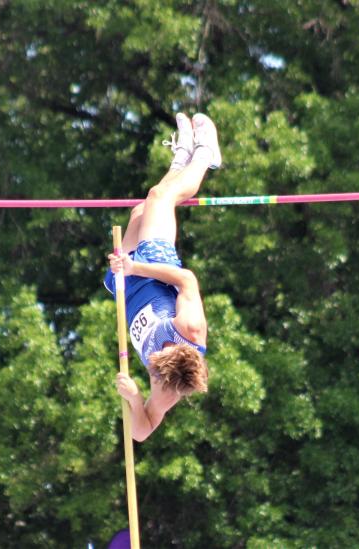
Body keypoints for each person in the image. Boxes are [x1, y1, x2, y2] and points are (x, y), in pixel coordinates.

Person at [104, 112, 221, 442]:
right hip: (152, 268)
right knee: (160, 198)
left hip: (125, 287)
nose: (151, 363)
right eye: (157, 362)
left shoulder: (165, 389)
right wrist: (136, 267)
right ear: (178, 351)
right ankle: (205, 154)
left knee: (139, 211)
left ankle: (181, 155)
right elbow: (187, 281)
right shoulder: (191, 331)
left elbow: (141, 432)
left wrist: (133, 397)